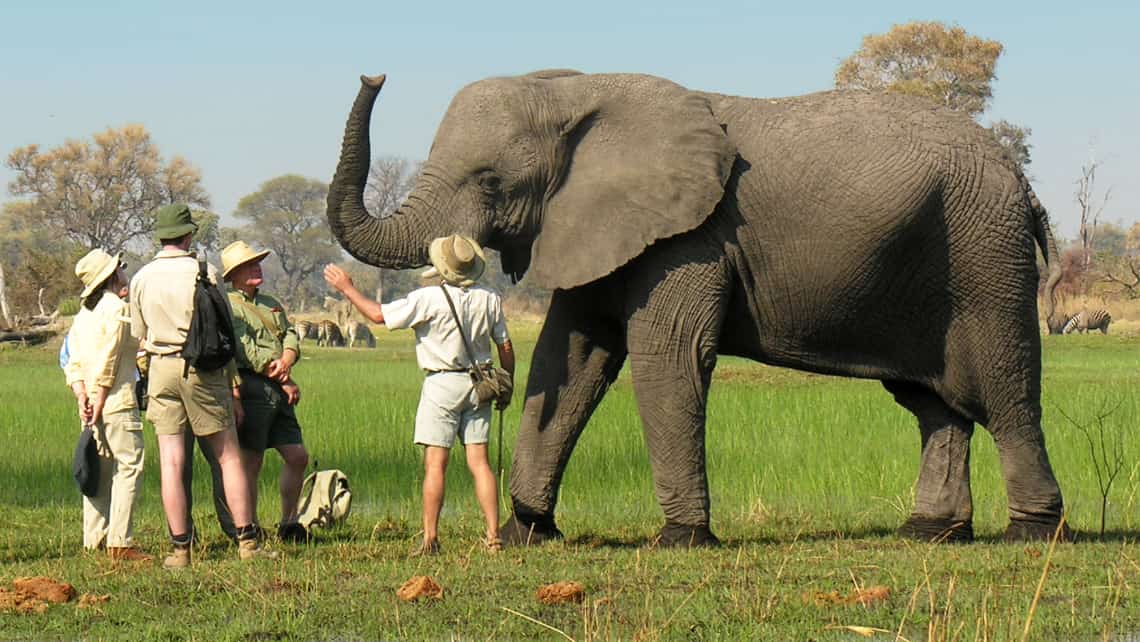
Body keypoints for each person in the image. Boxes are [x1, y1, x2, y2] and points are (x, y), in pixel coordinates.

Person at [324, 235, 514, 555]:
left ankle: (430, 539)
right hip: (479, 385)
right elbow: (505, 347)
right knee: (480, 463)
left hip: (442, 384)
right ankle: (493, 536)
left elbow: (378, 316)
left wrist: (347, 288)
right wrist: (506, 384)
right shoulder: (489, 298)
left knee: (435, 464)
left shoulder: (428, 298)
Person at [129, 202, 271, 567]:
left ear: (160, 236)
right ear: (189, 234)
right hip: (203, 369)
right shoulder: (203, 272)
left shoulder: (142, 277)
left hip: (160, 367)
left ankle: (180, 550)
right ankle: (247, 542)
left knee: (172, 461)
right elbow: (225, 332)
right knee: (227, 456)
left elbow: (139, 335)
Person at [63, 249, 151, 562]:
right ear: (112, 276)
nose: (124, 272)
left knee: (97, 471)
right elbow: (111, 357)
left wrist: (82, 396)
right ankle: (120, 541)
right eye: (120, 269)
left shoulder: (82, 315)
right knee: (129, 466)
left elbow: (72, 361)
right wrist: (99, 396)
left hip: (89, 403)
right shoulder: (116, 308)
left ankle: (94, 538)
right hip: (115, 400)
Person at [220, 240, 309, 542]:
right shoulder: (229, 306)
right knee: (251, 461)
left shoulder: (270, 302)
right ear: (234, 274)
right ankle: (250, 526)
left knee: (297, 456)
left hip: (279, 387)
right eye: (249, 265)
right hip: (253, 387)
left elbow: (290, 333)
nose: (256, 267)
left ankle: (289, 522)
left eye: (257, 262)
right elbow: (245, 351)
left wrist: (288, 358)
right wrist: (284, 379)